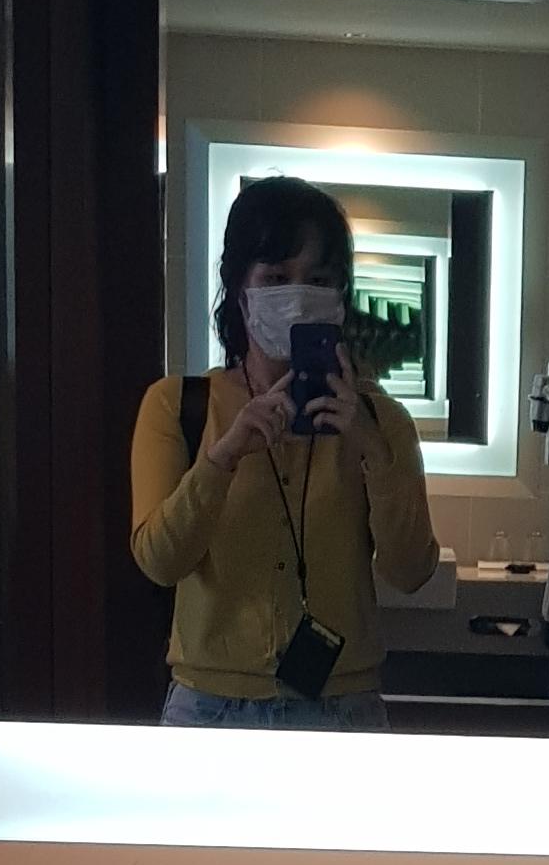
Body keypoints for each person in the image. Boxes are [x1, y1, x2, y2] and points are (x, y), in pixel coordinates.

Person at [131, 176, 440, 727]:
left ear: (340, 294)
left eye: (318, 279)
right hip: (209, 709)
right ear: (240, 288)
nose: (298, 295)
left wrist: (372, 453)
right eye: (276, 277)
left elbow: (411, 571)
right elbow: (159, 562)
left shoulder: (381, 420)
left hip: (342, 707)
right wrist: (222, 458)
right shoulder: (177, 406)